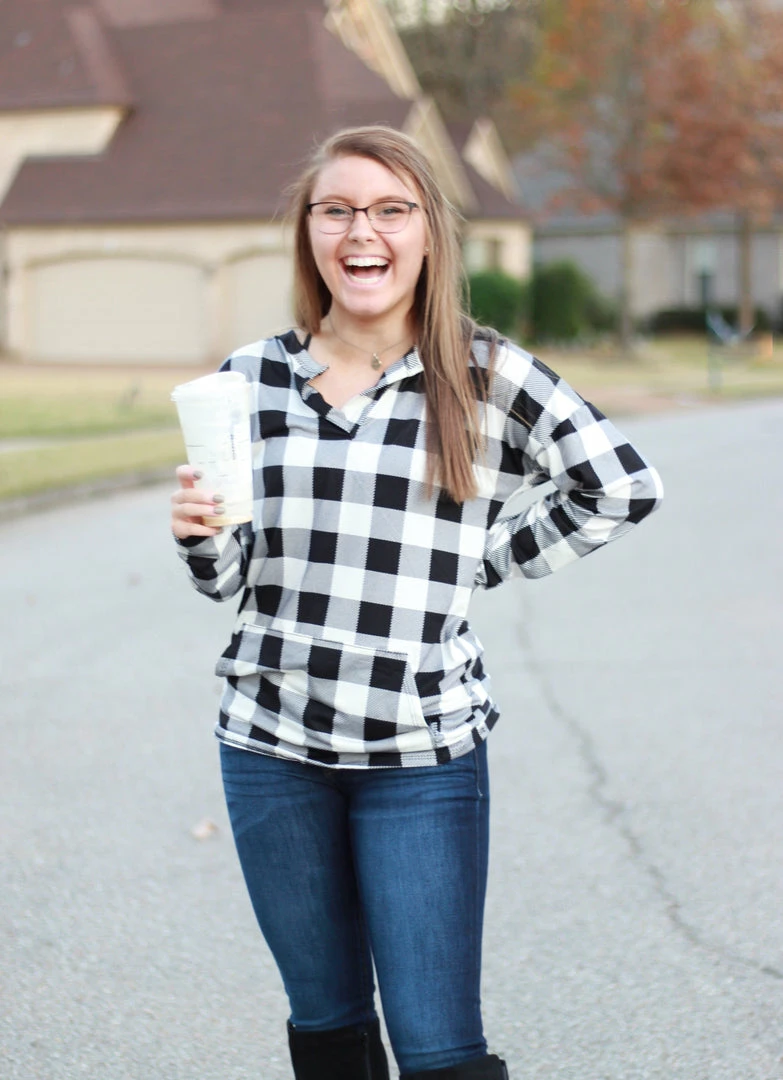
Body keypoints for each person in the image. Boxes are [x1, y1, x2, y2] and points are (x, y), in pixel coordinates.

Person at [170, 125, 663, 1080]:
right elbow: (229, 578)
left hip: (419, 755)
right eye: (339, 209)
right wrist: (200, 535)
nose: (365, 231)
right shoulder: (248, 380)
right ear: (311, 233)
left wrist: (481, 558)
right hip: (271, 750)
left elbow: (619, 485)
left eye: (391, 209)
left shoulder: (484, 372)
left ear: (428, 232)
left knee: (439, 1049)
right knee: (326, 1026)